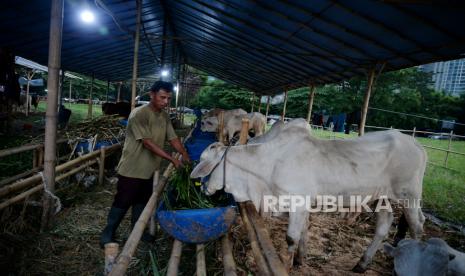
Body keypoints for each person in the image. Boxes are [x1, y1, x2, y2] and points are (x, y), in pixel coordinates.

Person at [100, 80, 190, 247]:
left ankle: (137, 232)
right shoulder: (139, 114)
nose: (166, 102)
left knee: (142, 202)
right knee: (123, 201)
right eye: (162, 97)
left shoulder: (164, 116)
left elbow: (173, 138)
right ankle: (108, 233)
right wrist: (172, 159)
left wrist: (184, 155)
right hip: (132, 168)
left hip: (149, 169)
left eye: (168, 98)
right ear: (152, 94)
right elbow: (147, 143)